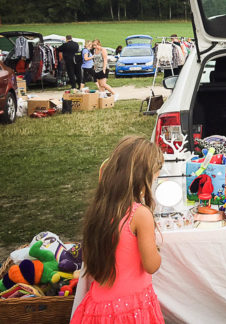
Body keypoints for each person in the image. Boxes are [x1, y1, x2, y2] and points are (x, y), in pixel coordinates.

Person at [71, 136, 165, 323]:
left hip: (97, 306)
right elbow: (151, 265)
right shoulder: (140, 215)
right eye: (155, 176)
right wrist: (156, 249)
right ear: (144, 177)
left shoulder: (100, 209)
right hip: (132, 308)